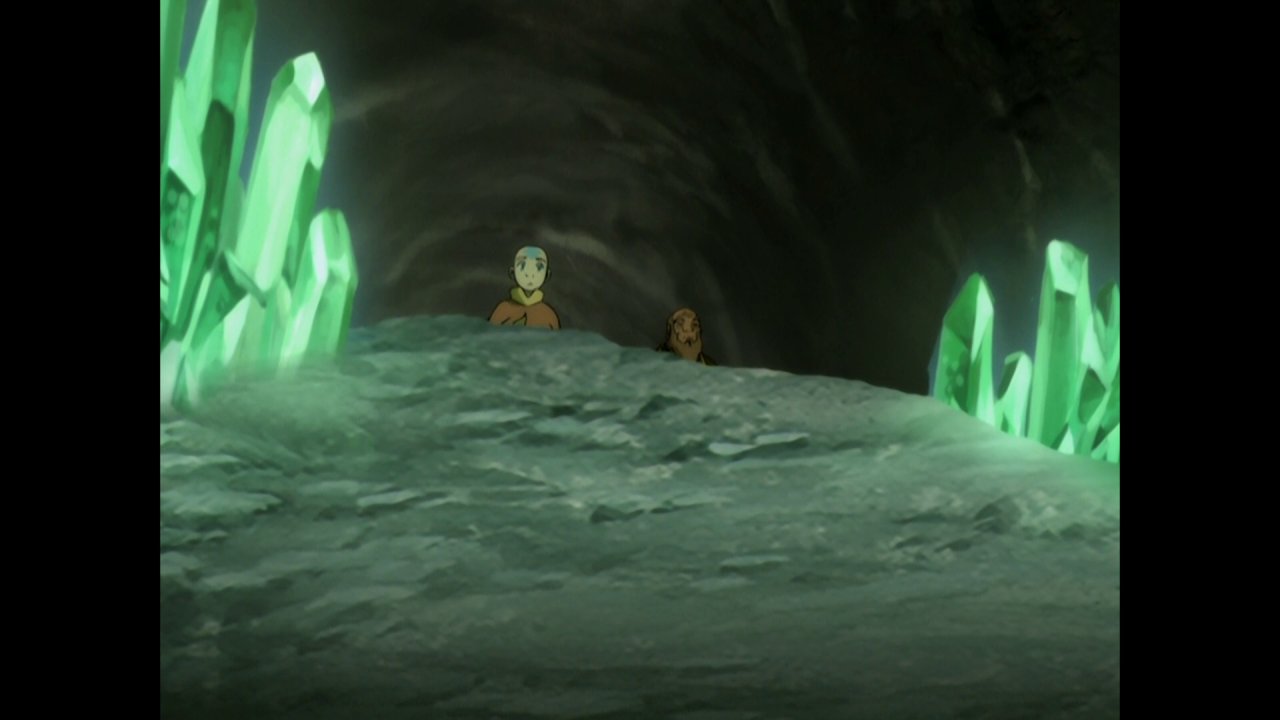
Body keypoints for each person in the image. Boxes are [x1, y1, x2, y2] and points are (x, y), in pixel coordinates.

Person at [488, 246, 561, 329]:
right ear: (512, 273)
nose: (530, 274)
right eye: (522, 265)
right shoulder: (503, 309)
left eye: (539, 267)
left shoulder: (548, 315)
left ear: (547, 275)